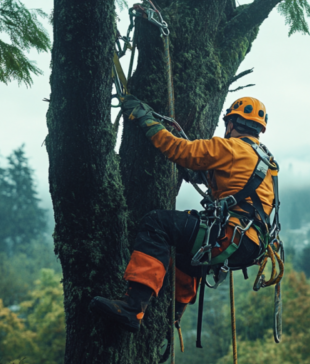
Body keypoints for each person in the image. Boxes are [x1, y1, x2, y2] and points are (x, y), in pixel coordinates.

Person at [89, 96, 278, 333]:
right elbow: (234, 183)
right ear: (258, 129)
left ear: (231, 124)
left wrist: (145, 119)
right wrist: (201, 174)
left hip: (230, 235)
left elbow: (179, 149)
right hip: (251, 245)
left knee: (156, 223)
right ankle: (173, 317)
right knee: (187, 252)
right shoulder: (265, 160)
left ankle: (132, 307)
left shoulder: (227, 146)